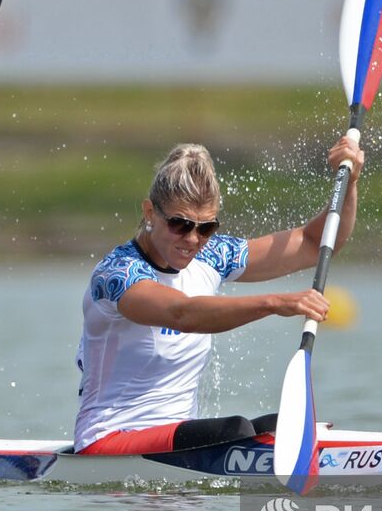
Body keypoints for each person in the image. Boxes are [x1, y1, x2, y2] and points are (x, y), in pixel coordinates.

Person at [74, 137, 362, 455]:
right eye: (180, 224)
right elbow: (181, 314)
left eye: (206, 227)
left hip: (177, 441)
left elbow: (314, 243)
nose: (193, 239)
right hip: (108, 439)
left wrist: (348, 182)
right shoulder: (117, 274)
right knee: (237, 430)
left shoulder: (212, 256)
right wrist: (273, 303)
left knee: (287, 424)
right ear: (150, 212)